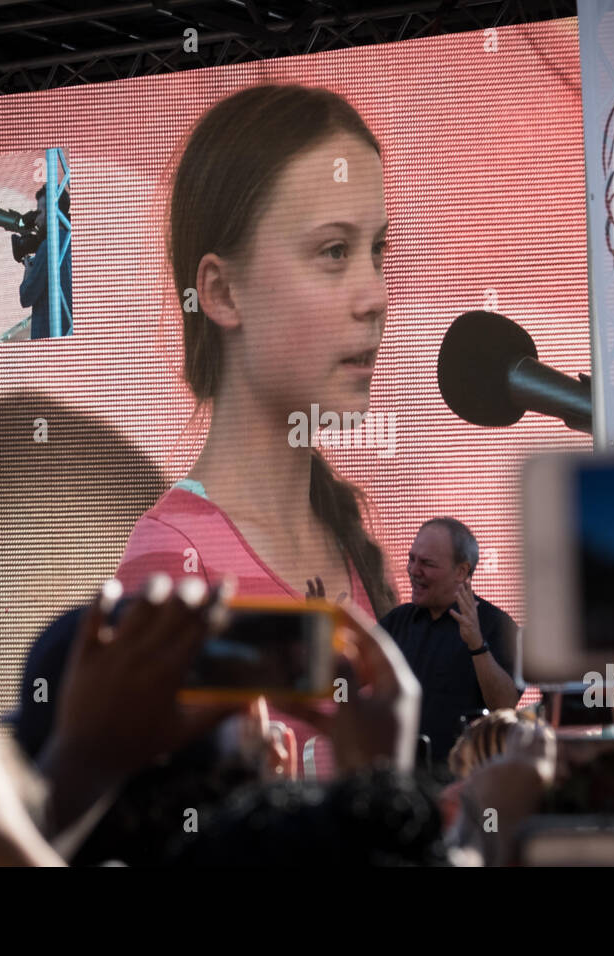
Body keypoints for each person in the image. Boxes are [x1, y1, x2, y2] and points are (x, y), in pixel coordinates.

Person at [112, 84, 398, 776]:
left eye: (378, 250)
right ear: (221, 292)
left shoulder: (351, 538)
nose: (376, 295)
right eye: (333, 252)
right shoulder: (169, 569)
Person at [380, 518, 521, 772]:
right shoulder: (396, 622)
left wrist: (477, 646)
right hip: (399, 784)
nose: (414, 570)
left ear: (461, 571)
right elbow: (345, 692)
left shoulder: (497, 626)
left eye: (427, 563)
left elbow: (505, 706)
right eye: (412, 559)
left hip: (463, 786)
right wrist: (330, 639)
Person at [19, 184, 73, 339]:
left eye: (40, 212)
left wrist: (28, 270)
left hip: (48, 337)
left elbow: (26, 296)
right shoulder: (72, 242)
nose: (37, 218)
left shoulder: (49, 246)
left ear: (52, 212)